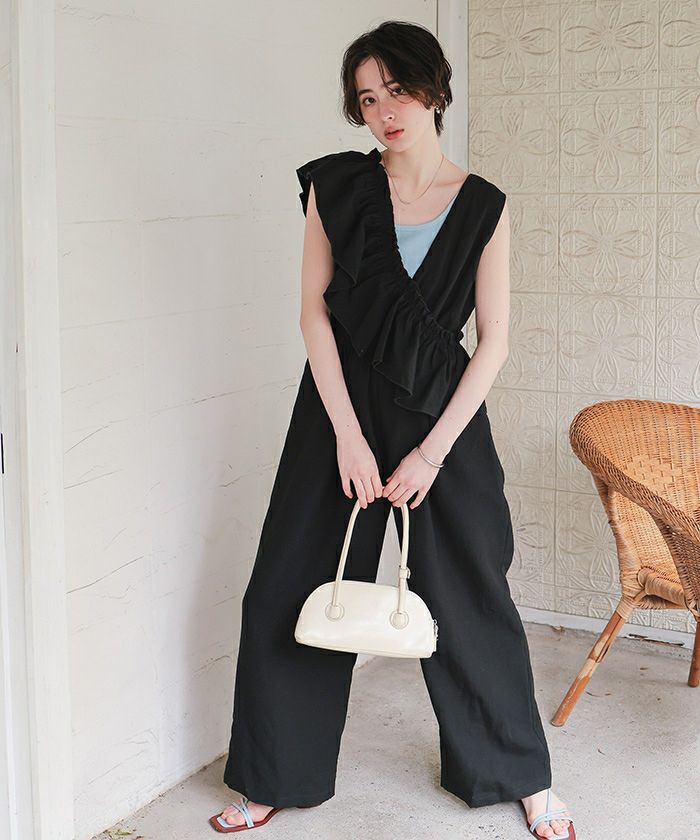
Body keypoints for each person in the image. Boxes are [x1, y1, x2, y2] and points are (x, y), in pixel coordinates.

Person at [210, 20, 574, 840]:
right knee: (289, 584)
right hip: (336, 410)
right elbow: (313, 314)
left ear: (434, 89)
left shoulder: (482, 206)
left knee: (473, 594)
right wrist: (346, 433)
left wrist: (431, 453)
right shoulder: (335, 187)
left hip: (442, 422)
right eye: (368, 99)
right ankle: (272, 775)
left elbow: (495, 342)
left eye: (398, 91)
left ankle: (519, 775)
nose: (384, 112)